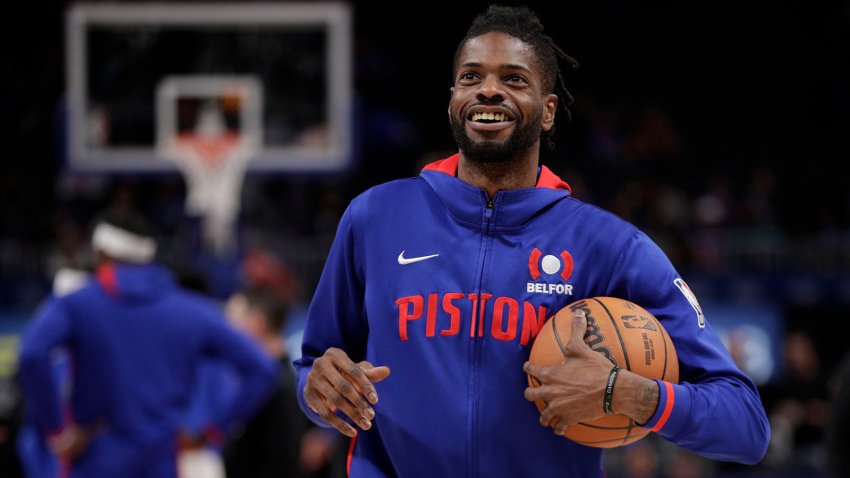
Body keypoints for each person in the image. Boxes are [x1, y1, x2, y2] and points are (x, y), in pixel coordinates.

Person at [293, 4, 771, 477]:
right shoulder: (375, 216)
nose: (489, 90)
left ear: (548, 112)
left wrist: (624, 393)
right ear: (452, 101)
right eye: (471, 76)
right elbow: (315, 369)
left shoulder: (610, 246)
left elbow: (745, 425)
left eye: (514, 79)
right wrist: (317, 389)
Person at [16, 209, 278, 478]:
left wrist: (56, 430)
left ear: (100, 253)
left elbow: (31, 354)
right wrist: (213, 432)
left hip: (96, 458)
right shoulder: (193, 310)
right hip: (163, 461)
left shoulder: (77, 304)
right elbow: (262, 368)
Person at [220, 285, 312, 478]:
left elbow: (285, 462)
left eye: (232, 320)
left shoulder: (281, 387)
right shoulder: (270, 381)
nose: (225, 330)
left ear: (257, 324)